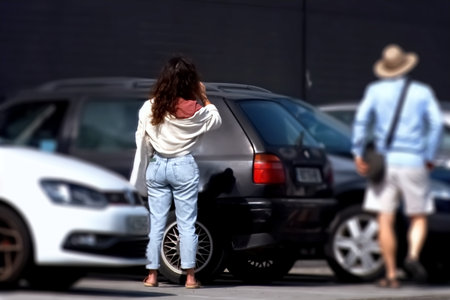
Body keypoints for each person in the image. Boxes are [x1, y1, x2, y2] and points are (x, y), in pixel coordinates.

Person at [352, 44, 443, 288]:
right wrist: (429, 154)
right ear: (406, 65)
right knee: (418, 215)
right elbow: (435, 124)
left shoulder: (374, 90)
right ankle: (412, 255)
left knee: (385, 218)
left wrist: (358, 152)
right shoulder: (422, 92)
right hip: (414, 160)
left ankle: (391, 274)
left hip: (384, 163)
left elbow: (361, 121)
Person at [130, 56, 222, 289]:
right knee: (187, 224)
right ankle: (190, 277)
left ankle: (152, 275)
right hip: (183, 166)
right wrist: (203, 96)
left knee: (157, 222)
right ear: (190, 81)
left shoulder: (150, 107)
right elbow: (217, 120)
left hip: (157, 166)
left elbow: (142, 139)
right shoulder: (196, 109)